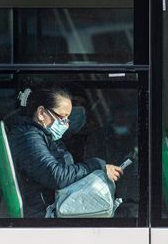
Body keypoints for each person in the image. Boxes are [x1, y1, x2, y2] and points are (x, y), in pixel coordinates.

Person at [8, 86, 124, 217]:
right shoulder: (28, 137)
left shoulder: (45, 136)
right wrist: (97, 165)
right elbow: (56, 176)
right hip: (43, 215)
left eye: (68, 119)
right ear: (41, 113)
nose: (66, 124)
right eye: (62, 117)